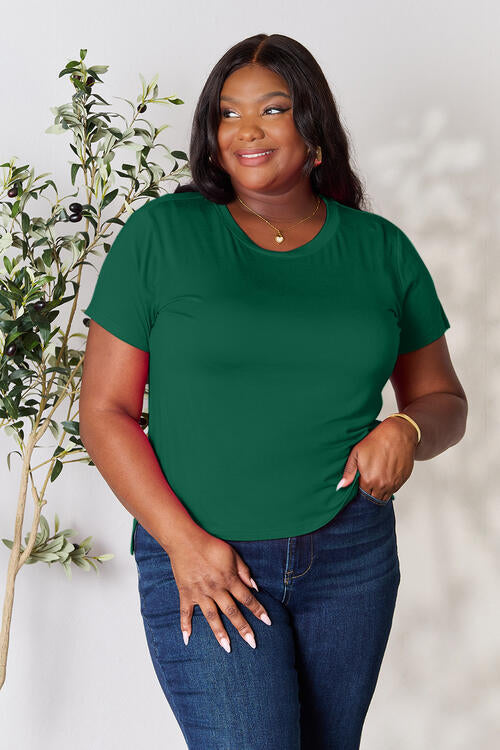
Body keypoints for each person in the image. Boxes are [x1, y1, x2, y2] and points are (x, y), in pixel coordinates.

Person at [80, 32, 468, 750]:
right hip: (204, 553)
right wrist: (183, 544)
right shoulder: (163, 235)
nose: (246, 130)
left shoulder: (380, 250)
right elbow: (104, 411)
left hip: (350, 556)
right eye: (228, 113)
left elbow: (444, 400)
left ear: (314, 128)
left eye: (273, 109)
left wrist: (406, 431)